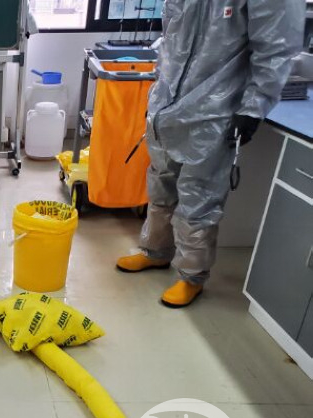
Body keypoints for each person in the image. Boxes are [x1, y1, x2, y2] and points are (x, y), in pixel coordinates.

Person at [116, 0, 304, 308]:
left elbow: (275, 49)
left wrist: (254, 107)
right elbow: (171, 39)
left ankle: (191, 276)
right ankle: (155, 252)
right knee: (161, 182)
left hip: (215, 111)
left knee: (199, 195)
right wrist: (157, 94)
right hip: (167, 106)